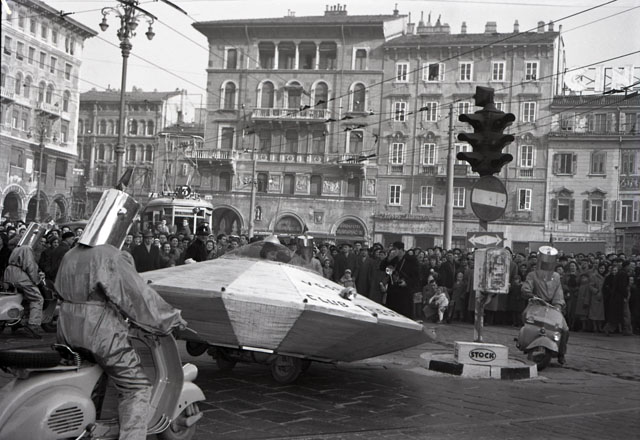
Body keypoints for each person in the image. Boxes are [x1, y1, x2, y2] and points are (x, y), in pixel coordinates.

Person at [55, 188, 186, 440]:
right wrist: (171, 318)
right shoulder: (109, 255)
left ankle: (91, 426)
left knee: (92, 379)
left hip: (66, 327)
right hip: (98, 331)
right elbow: (137, 299)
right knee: (136, 387)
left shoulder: (71, 254)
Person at [521, 246, 569, 365]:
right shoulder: (532, 275)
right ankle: (526, 342)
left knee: (565, 329)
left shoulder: (556, 276)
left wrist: (558, 305)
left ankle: (561, 352)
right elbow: (526, 287)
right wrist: (530, 294)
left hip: (552, 307)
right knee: (527, 320)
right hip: (536, 304)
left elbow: (558, 293)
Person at [3, 231, 47, 339]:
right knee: (37, 299)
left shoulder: (17, 248)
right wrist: (37, 280)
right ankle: (33, 325)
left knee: (24, 297)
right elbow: (30, 266)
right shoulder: (26, 248)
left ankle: (19, 321)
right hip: (20, 276)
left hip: (10, 274)